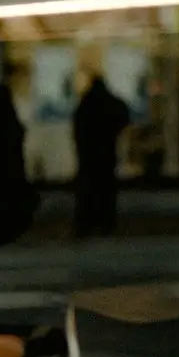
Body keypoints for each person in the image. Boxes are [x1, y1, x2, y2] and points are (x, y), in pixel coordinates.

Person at [72, 72, 133, 237]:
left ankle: (86, 224)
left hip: (89, 155)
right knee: (105, 190)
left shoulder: (86, 103)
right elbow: (124, 115)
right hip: (105, 153)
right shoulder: (108, 101)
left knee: (88, 191)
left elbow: (78, 128)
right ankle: (105, 223)